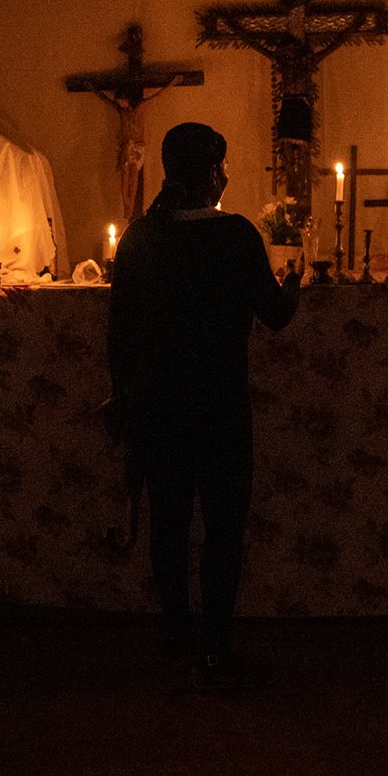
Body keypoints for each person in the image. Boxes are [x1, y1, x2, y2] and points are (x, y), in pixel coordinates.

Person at [106, 122, 300, 689]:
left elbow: (119, 334)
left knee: (168, 524)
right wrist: (293, 285)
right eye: (223, 166)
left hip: (159, 408)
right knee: (222, 528)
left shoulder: (139, 238)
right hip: (220, 408)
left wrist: (124, 401)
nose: (227, 175)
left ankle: (174, 637)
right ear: (212, 173)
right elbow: (275, 315)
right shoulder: (237, 236)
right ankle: (214, 647)